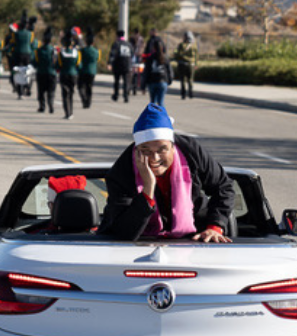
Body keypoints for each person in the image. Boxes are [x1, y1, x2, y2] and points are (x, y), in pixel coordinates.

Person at [99, 103, 234, 243]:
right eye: (145, 151)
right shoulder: (122, 172)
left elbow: (224, 186)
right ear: (136, 149)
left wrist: (215, 226)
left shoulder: (191, 152)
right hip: (139, 241)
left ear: (172, 146)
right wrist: (147, 188)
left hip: (194, 239)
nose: (154, 158)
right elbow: (125, 232)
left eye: (162, 150)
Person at [34, 27, 57, 114]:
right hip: (52, 73)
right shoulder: (54, 50)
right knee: (51, 91)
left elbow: (35, 62)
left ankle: (42, 106)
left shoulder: (38, 51)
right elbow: (56, 61)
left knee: (41, 91)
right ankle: (51, 105)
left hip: (41, 73)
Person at [57, 33, 80, 120]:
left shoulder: (61, 53)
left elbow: (58, 65)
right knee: (71, 94)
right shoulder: (76, 53)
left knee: (65, 94)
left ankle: (67, 113)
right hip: (73, 75)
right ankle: (71, 112)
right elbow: (79, 65)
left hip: (64, 75)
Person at [145, 38, 172, 108]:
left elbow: (146, 71)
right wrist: (169, 81)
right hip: (163, 81)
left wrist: (144, 84)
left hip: (152, 82)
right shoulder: (165, 58)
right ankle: (162, 117)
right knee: (161, 102)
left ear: (153, 47)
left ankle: (153, 117)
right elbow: (169, 71)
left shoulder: (150, 58)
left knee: (153, 102)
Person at [107, 30, 133, 103]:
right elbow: (132, 54)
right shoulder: (128, 44)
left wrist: (109, 63)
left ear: (117, 36)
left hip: (118, 65)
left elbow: (112, 54)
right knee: (126, 82)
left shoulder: (116, 44)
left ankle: (116, 95)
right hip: (127, 65)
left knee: (117, 81)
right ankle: (126, 96)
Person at [78, 30, 99, 109]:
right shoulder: (96, 51)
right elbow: (97, 59)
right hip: (92, 71)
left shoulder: (82, 50)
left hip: (83, 71)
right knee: (89, 87)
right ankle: (88, 102)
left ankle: (84, 100)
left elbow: (79, 59)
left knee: (81, 87)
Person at [173, 31, 197, 100]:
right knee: (190, 79)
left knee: (183, 80)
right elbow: (196, 55)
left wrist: (176, 58)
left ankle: (183, 94)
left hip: (182, 64)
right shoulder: (193, 45)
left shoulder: (181, 45)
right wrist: (195, 63)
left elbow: (176, 53)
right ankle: (191, 93)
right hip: (191, 64)